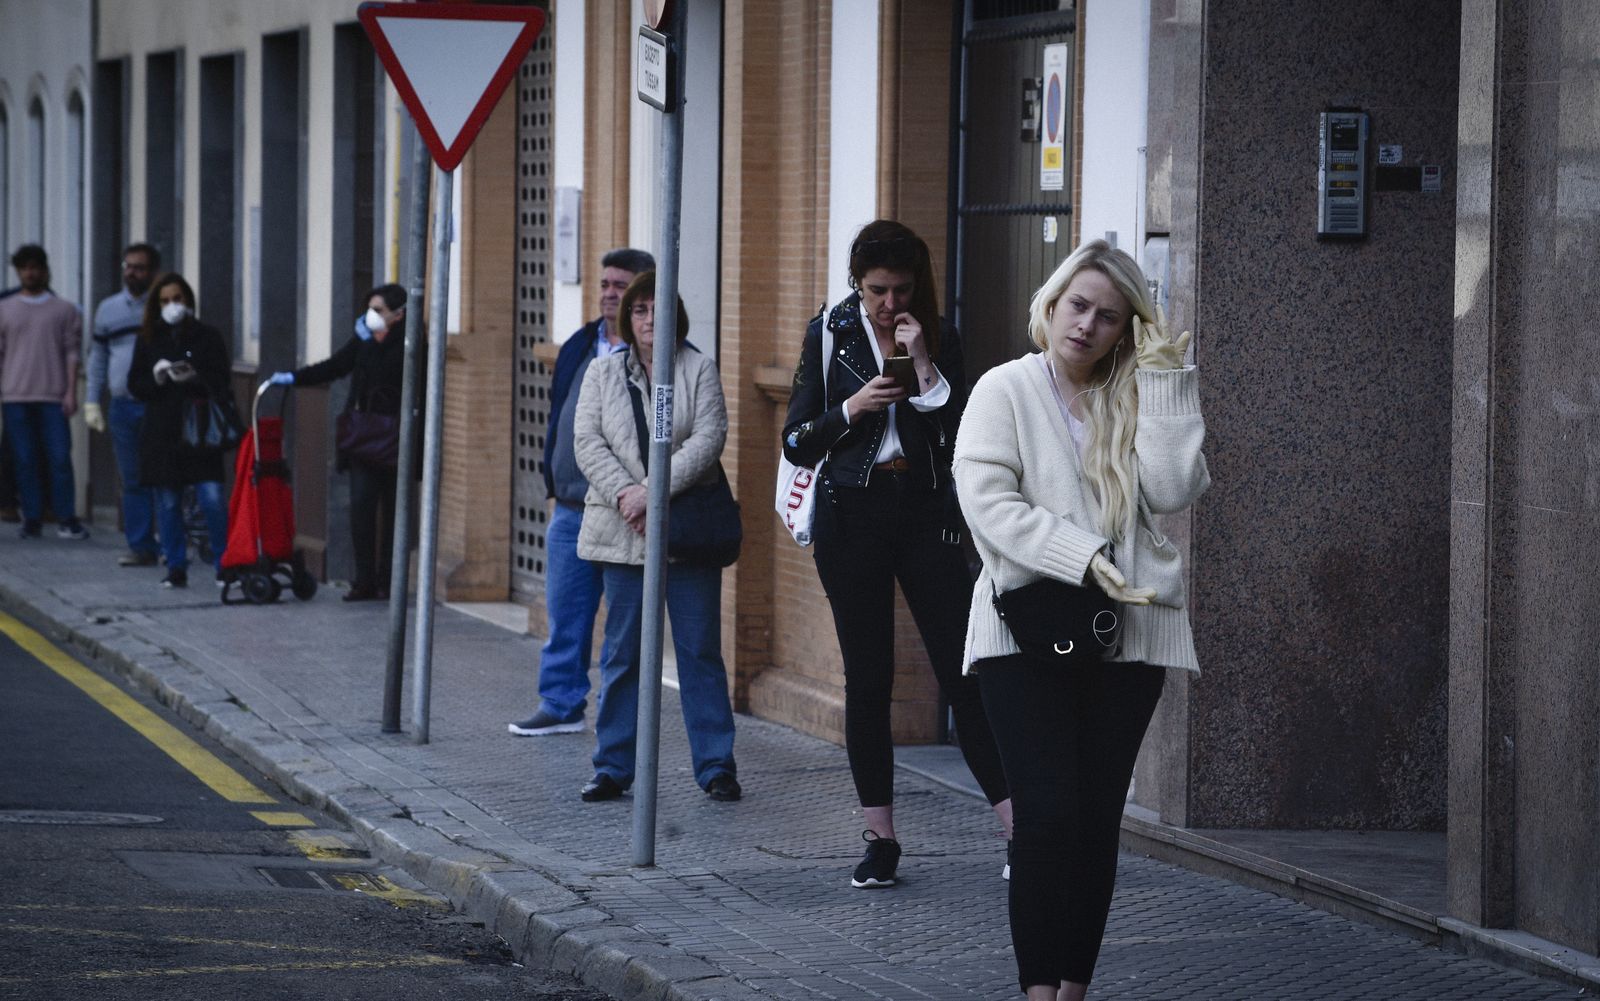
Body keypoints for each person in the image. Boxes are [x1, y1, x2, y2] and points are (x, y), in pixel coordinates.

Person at [953, 240, 1208, 1000]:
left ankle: (1072, 989)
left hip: (1124, 639)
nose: (1088, 324)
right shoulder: (1004, 389)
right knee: (1047, 816)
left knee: (1097, 823)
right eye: (1079, 305)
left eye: (1109, 314)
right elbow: (987, 503)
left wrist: (1164, 380)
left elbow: (1171, 488)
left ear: (1127, 326)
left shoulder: (1132, 393)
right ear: (1053, 303)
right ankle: (1037, 992)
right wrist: (1083, 554)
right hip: (1022, 632)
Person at [781, 219, 1011, 889]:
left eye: (901, 289)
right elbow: (797, 439)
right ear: (858, 282)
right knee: (869, 681)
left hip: (924, 515)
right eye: (877, 290)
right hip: (851, 515)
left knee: (965, 670)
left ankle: (1018, 829)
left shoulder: (938, 333)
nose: (889, 304)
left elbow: (967, 431)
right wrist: (851, 407)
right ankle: (879, 839)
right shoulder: (831, 332)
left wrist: (925, 367)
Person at [572, 270, 740, 803]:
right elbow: (587, 440)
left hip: (686, 535)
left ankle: (716, 766)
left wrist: (652, 491)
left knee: (699, 652)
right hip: (622, 531)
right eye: (639, 310)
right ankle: (613, 767)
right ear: (628, 319)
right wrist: (628, 493)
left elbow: (710, 437)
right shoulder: (601, 373)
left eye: (658, 309)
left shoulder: (698, 368)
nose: (648, 320)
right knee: (622, 654)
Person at [509, 247, 654, 737]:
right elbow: (560, 417)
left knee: (621, 631)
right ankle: (561, 703)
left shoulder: (653, 352)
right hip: (571, 507)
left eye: (621, 285)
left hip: (625, 511)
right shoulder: (578, 344)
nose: (610, 293)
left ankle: (618, 730)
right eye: (606, 284)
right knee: (564, 613)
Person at [269, 284, 415, 601]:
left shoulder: (409, 342)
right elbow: (335, 366)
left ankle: (389, 580)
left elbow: (393, 372)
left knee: (395, 513)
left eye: (378, 310)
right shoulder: (363, 342)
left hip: (396, 439)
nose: (371, 316)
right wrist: (294, 378)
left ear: (399, 314)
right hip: (364, 438)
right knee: (361, 506)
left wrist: (373, 344)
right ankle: (363, 579)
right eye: (369, 309)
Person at [127, 273, 233, 588]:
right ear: (156, 305)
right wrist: (158, 378)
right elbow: (136, 384)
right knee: (169, 502)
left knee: (212, 497)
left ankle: (225, 563)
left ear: (188, 301)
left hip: (200, 430)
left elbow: (221, 380)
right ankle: (176, 566)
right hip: (163, 431)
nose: (173, 306)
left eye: (178, 299)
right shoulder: (148, 338)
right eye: (165, 301)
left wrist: (194, 378)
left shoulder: (207, 336)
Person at [0, 244, 89, 540]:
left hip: (53, 394)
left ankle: (66, 516)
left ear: (45, 270)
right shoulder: (5, 309)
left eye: (35, 267)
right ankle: (32, 518)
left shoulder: (63, 309)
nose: (31, 272)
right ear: (18, 271)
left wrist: (70, 393)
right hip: (15, 395)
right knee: (24, 460)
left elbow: (72, 353)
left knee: (59, 457)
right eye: (25, 267)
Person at [86, 243, 162, 566]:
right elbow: (98, 357)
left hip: (157, 405)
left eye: (139, 267)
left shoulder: (164, 306)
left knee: (162, 475)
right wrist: (92, 399)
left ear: (153, 272)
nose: (132, 273)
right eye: (128, 266)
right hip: (122, 405)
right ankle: (141, 545)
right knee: (131, 477)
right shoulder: (108, 309)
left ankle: (169, 542)